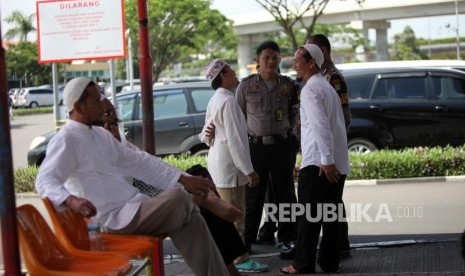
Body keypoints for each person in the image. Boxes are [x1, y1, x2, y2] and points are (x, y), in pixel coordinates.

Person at [35, 77, 230, 276]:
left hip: (132, 208)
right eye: (95, 101)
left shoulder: (100, 135)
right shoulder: (66, 139)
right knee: (178, 199)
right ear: (78, 106)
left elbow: (139, 162)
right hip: (110, 221)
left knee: (191, 220)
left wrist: (185, 179)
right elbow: (44, 181)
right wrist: (71, 200)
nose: (102, 106)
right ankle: (205, 202)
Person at [99, 97, 247, 276]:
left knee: (195, 193)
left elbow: (146, 162)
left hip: (138, 198)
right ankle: (205, 202)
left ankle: (226, 269)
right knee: (185, 200)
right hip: (118, 216)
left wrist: (189, 181)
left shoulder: (116, 142)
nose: (111, 119)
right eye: (105, 113)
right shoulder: (81, 143)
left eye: (112, 113)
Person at [280, 44, 350, 274]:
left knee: (310, 217)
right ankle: (330, 262)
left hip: (320, 164)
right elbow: (335, 128)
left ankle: (302, 264)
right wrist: (333, 160)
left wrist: (326, 160)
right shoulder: (326, 86)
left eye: (298, 59)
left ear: (311, 63)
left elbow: (320, 127)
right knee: (330, 216)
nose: (294, 64)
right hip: (333, 162)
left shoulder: (311, 89)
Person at [199, 58, 269, 273]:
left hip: (221, 166)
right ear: (222, 75)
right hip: (229, 168)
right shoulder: (227, 101)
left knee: (229, 215)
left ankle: (232, 258)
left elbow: (206, 132)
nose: (235, 73)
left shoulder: (216, 99)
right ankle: (240, 260)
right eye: (230, 70)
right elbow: (235, 139)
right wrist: (248, 169)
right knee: (235, 215)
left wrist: (207, 136)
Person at [236, 40, 300, 253]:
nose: (271, 62)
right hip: (256, 148)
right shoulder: (245, 87)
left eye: (274, 57)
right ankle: (246, 241)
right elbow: (238, 116)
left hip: (281, 147)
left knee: (285, 194)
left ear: (280, 60)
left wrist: (290, 135)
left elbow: (294, 113)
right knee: (253, 195)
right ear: (258, 61)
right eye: (266, 58)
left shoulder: (288, 86)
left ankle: (287, 238)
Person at [305, 33, 352, 258]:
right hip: (322, 152)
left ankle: (339, 246)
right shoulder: (317, 78)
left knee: (328, 206)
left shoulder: (332, 78)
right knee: (328, 206)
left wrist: (328, 156)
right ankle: (332, 252)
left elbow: (339, 118)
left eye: (310, 49)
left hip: (327, 155)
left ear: (322, 51)